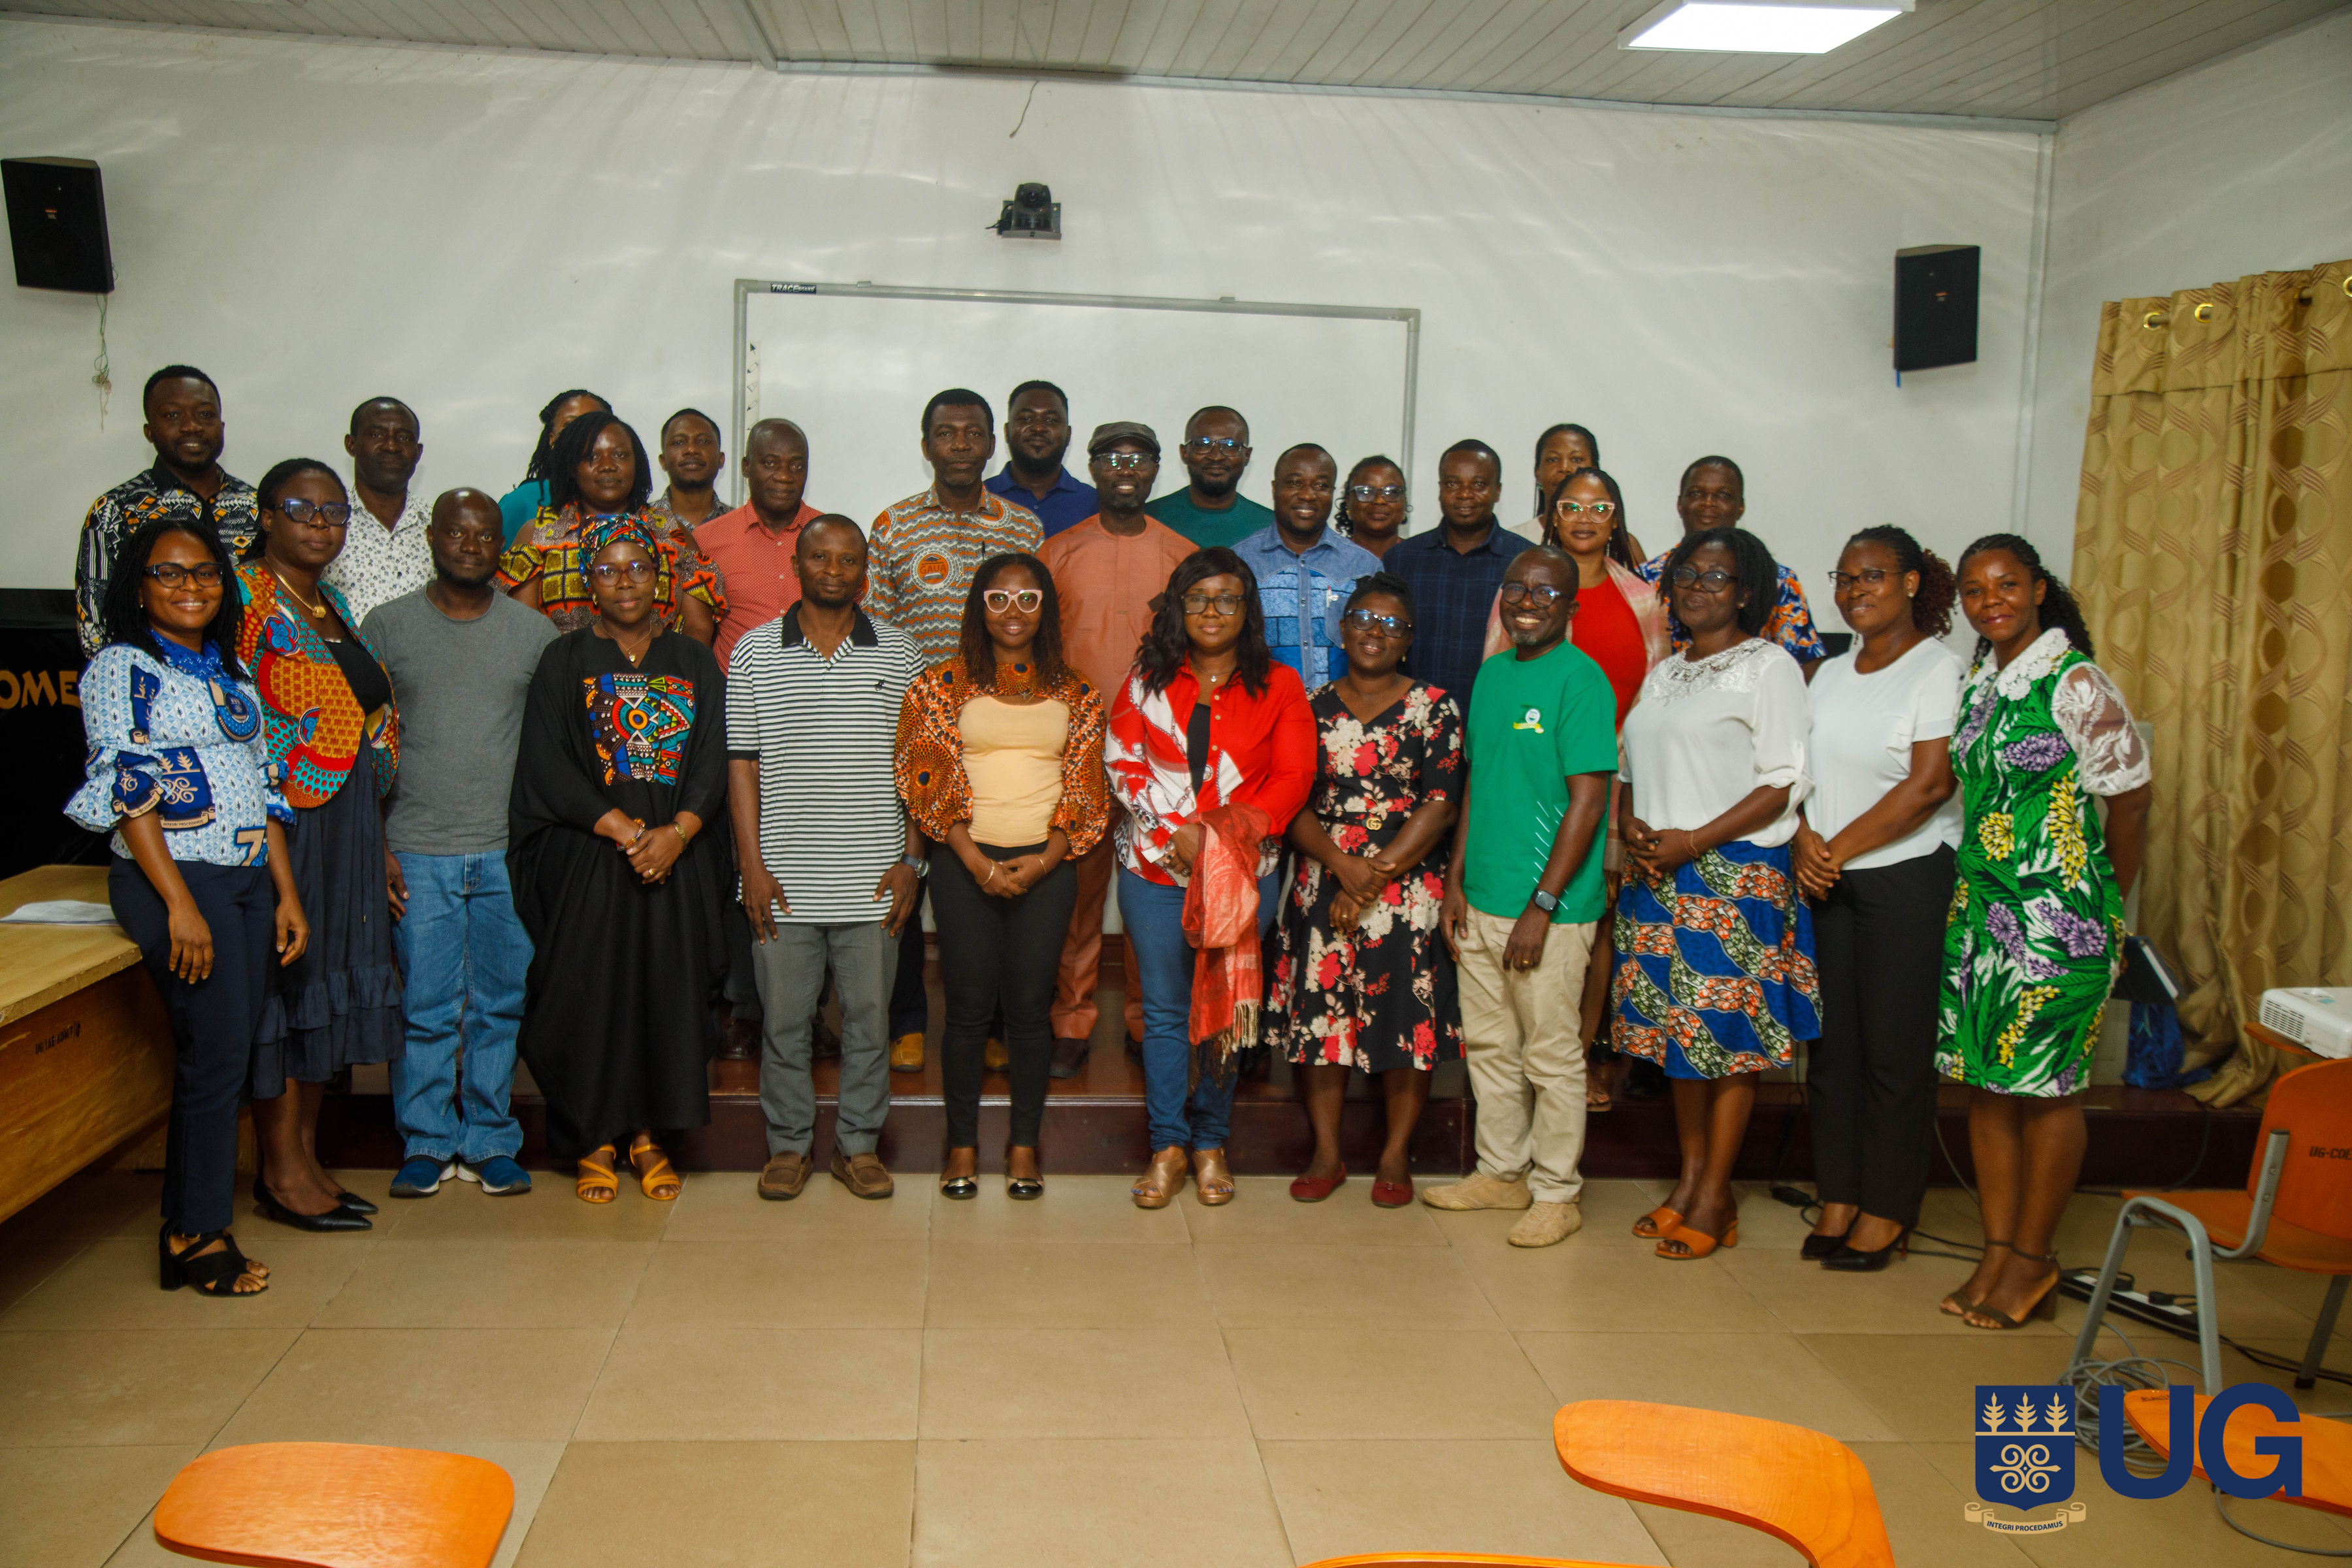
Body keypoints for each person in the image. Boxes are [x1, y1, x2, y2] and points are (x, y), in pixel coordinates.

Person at [70, 515, 306, 1296]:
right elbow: (128, 787)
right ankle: (198, 1233)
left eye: (204, 572)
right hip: (178, 879)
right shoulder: (123, 667)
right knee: (219, 1055)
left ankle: (187, 1221)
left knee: (223, 1052)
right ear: (138, 587)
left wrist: (285, 893)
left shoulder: (229, 671)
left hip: (245, 877)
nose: (191, 587)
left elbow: (263, 784)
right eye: (169, 573)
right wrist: (178, 903)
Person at [1936, 533, 2149, 1330]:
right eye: (1975, 590)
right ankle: (1998, 1252)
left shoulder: (2075, 680)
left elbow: (2131, 801)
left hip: (2061, 921)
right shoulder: (1981, 683)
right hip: (1984, 914)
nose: (1990, 601)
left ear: (2036, 590)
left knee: (2048, 1089)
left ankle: (2034, 1259)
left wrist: (2103, 907)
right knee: (1988, 1084)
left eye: (2006, 585)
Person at [510, 516, 731, 1205]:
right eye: (607, 570)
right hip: (591, 859)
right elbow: (545, 760)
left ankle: (648, 1137)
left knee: (666, 997)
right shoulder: (563, 659)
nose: (625, 581)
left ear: (659, 579)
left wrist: (677, 834)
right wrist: (625, 832)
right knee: (589, 995)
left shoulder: (693, 660)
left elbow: (713, 758)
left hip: (677, 860)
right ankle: (594, 1139)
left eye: (638, 568)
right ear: (588, 583)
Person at [1615, 527, 1821, 1261]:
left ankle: (1716, 1195)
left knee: (1727, 1041)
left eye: (1716, 577)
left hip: (1732, 876)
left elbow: (1783, 782)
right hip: (1658, 876)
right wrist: (1630, 823)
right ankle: (1690, 1182)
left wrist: (1694, 841)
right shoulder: (1666, 671)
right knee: (1680, 1038)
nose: (1697, 587)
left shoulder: (1770, 667)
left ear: (1746, 593)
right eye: (1687, 575)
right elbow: (1630, 767)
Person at [361, 489, 557, 1200]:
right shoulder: (387, 626)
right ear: (433, 539)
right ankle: (426, 1141)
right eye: (456, 533)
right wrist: (377, 845)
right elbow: (363, 747)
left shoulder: (533, 634)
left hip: (508, 852)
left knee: (500, 1003)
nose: (471, 547)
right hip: (417, 846)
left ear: (500, 546)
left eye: (483, 536)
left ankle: (489, 1140)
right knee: (427, 1005)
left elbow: (553, 747)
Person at [898, 554, 1109, 1198]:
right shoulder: (939, 685)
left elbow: (1087, 788)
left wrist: (1043, 861)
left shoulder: (1078, 692)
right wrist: (976, 862)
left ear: (1047, 608)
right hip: (963, 863)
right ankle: (961, 1147)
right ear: (978, 607)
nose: (1013, 612)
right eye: (998, 599)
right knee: (966, 1010)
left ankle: (1023, 1148)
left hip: (1048, 865)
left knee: (1028, 1011)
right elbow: (924, 775)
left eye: (1028, 599)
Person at [1109, 549, 1314, 1207]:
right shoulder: (1145, 679)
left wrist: (1221, 837)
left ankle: (1211, 1143)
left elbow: (1294, 778)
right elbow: (1121, 762)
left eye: (1227, 598)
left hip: (1245, 874)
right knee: (1167, 1012)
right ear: (1178, 607)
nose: (1212, 611)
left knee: (1224, 1012)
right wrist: (1176, 834)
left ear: (1247, 609)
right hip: (1153, 870)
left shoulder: (1279, 685)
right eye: (1197, 598)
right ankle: (1168, 1145)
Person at [728, 516, 924, 1202]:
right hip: (783, 882)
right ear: (797, 564)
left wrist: (913, 863)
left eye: (848, 560)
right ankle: (788, 1147)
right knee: (785, 1024)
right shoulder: (754, 653)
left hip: (874, 881)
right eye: (820, 557)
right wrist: (751, 867)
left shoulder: (900, 653)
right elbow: (742, 767)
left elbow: (918, 769)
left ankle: (858, 1148)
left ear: (865, 572)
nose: (834, 570)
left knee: (870, 1023)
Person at [1425, 549, 1616, 1246]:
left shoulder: (1582, 680)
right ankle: (1501, 1173)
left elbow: (1588, 802)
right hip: (1482, 897)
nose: (1528, 602)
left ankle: (1557, 1192)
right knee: (1491, 1046)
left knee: (1552, 1055)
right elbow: (1477, 783)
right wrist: (1456, 882)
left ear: (1571, 607)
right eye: (1516, 589)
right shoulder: (1493, 674)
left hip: (1549, 912)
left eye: (1545, 592)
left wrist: (1542, 905)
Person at [235, 461, 404, 1235]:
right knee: (289, 989)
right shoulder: (242, 598)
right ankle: (279, 1170)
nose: (320, 523)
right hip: (289, 823)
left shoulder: (327, 603)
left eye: (334, 511)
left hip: (350, 821)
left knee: (325, 988)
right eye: (302, 508)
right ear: (266, 516)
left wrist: (379, 838)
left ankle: (305, 1158)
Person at [1793, 527, 1962, 1271]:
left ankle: (1888, 1209)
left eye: (1872, 576)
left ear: (1911, 582)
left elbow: (1930, 785)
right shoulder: (1828, 675)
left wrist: (1833, 849)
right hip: (1827, 878)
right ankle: (1838, 1194)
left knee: (1895, 1054)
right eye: (1845, 577)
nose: (1855, 590)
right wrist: (1804, 838)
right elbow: (1796, 774)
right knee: (1833, 1052)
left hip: (1904, 878)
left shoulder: (1939, 670)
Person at [1267, 573, 1462, 1206]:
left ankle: (1395, 1154)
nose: (1375, 632)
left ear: (1408, 639)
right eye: (1363, 619)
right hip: (1322, 878)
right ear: (1342, 628)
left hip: (1406, 886)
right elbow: (1291, 799)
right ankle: (1327, 1152)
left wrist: (1373, 873)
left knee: (1405, 1019)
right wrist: (1340, 866)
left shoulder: (1435, 705)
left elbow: (1440, 804)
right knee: (1321, 1018)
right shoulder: (1309, 705)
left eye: (1391, 624)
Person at [870, 389, 1044, 1073]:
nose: (962, 444)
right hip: (918, 726)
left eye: (974, 433)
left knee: (995, 863)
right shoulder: (893, 526)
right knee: (910, 868)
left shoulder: (1022, 526)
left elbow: (1036, 622)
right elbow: (879, 632)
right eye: (947, 433)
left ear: (992, 445)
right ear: (927, 445)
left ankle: (996, 1021)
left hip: (1003, 728)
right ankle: (907, 1018)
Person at [1034, 421, 1193, 1077]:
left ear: (1155, 469)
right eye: (1111, 457)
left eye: (1138, 458)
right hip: (1077, 750)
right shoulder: (1058, 552)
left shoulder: (1183, 556)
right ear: (1094, 467)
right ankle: (1071, 1019)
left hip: (1159, 756)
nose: (1125, 468)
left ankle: (1146, 1020)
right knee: (1078, 890)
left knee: (1152, 890)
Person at [76, 366, 261, 657]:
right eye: (173, 415)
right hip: (153, 678)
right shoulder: (115, 510)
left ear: (222, 426)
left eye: (205, 414)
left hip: (255, 679)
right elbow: (96, 629)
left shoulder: (260, 507)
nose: (192, 426)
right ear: (149, 432)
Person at [500, 410, 725, 645]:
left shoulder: (671, 532)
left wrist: (669, 666)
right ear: (573, 467)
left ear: (636, 465)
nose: (607, 466)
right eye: (592, 457)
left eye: (620, 455)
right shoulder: (537, 534)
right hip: (560, 668)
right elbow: (522, 631)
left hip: (662, 668)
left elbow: (698, 628)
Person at [1638, 457, 1825, 671]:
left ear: (1740, 507)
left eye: (1724, 495)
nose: (1708, 503)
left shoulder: (1777, 580)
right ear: (1680, 504)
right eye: (1696, 494)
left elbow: (1805, 664)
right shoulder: (1645, 579)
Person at [1386, 439, 1524, 705]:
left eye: (1479, 485)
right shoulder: (1402, 560)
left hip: (1496, 714)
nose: (1464, 494)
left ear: (1497, 491)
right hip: (1413, 717)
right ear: (1440, 489)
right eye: (1452, 484)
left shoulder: (1524, 562)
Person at [1233, 444, 1380, 692]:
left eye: (1321, 486)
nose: (1308, 495)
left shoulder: (1364, 566)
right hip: (1263, 708)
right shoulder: (1241, 561)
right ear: (1274, 489)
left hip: (1343, 710)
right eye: (1294, 483)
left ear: (1333, 493)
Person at [696, 417, 826, 669]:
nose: (785, 476)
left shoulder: (830, 537)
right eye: (770, 463)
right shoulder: (707, 539)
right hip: (736, 688)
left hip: (816, 686)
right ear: (746, 467)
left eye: (797, 466)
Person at [323, 397, 433, 625]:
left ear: (418, 452)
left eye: (404, 438)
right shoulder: (324, 523)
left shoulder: (440, 527)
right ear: (351, 444)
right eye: (376, 435)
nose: (391, 446)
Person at [1147, 406, 1278, 551]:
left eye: (1230, 445)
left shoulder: (1271, 527)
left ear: (1247, 455)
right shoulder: (1148, 519)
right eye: (1203, 444)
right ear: (1184, 453)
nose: (1216, 457)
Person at [986, 380, 1098, 538]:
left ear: (1068, 435)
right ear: (1007, 432)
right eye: (1026, 418)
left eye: (1051, 420)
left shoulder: (1094, 504)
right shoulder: (980, 498)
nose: (1038, 428)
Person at [498, 389, 609, 544]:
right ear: (552, 440)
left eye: (593, 426)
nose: (581, 434)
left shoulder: (631, 505)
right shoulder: (520, 502)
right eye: (570, 425)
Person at [1511, 423, 1600, 545]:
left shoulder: (1613, 542)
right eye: (1553, 459)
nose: (1564, 468)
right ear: (1538, 473)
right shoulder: (1515, 542)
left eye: (1576, 459)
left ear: (1595, 472)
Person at [652, 408, 728, 530]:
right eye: (678, 442)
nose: (692, 450)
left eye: (703, 441)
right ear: (663, 460)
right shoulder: (639, 526)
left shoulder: (742, 526)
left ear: (721, 459)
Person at [1332, 455, 1408, 561]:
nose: (1379, 501)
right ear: (1348, 503)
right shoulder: (1330, 560)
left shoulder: (1420, 558)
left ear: (1404, 503)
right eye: (1366, 492)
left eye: (1392, 492)